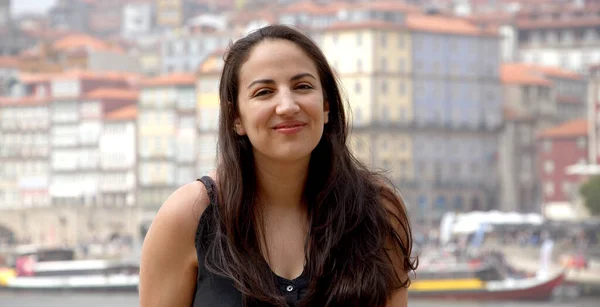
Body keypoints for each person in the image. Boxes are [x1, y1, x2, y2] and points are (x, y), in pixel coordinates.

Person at [139, 24, 417, 307]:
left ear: (326, 106)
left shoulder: (378, 212)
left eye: (303, 86)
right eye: (264, 92)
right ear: (236, 118)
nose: (287, 105)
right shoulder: (189, 216)